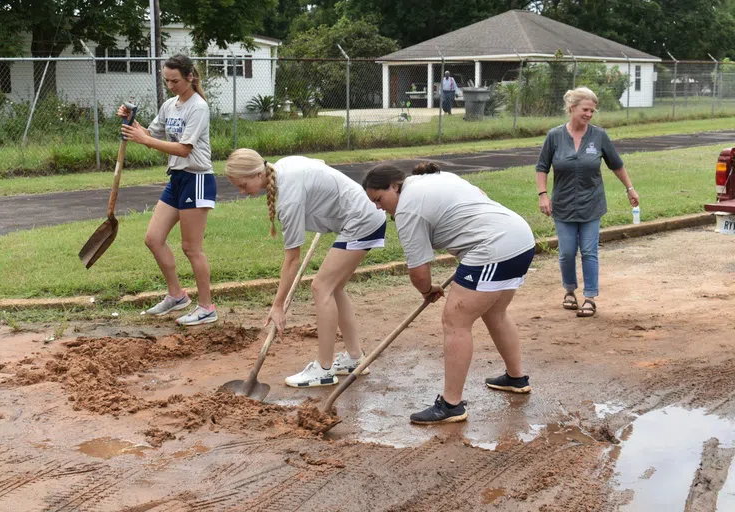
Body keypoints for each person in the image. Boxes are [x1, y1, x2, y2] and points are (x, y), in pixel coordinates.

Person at [363, 162, 536, 425]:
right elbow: (477, 198)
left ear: (395, 187)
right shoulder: (434, 178)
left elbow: (419, 273)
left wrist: (426, 290)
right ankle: (516, 378)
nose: (378, 206)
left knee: (455, 322)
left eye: (379, 199)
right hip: (519, 237)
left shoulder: (408, 210)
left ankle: (451, 404)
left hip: (493, 248)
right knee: (495, 313)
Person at [225, 149, 388, 388]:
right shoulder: (283, 165)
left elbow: (292, 260)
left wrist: (278, 305)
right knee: (335, 287)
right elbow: (319, 166)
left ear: (257, 173)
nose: (241, 190)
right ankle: (355, 358)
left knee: (321, 287)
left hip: (362, 220)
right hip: (362, 216)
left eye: (242, 184)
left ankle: (323, 369)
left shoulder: (288, 200)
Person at [118, 54, 218, 326]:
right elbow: (152, 133)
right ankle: (177, 295)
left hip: (197, 178)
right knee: (153, 238)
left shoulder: (198, 107)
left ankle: (206, 307)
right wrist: (132, 122)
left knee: (191, 248)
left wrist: (145, 140)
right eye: (167, 81)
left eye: (175, 80)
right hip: (176, 178)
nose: (171, 85)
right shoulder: (170, 105)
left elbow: (185, 149)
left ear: (190, 77)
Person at [536, 86, 640, 318]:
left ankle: (590, 297)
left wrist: (630, 188)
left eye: (592, 111)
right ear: (572, 108)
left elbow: (616, 164)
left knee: (589, 252)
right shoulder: (554, 136)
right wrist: (543, 194)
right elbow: (542, 167)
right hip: (562, 204)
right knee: (567, 252)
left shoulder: (599, 136)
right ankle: (570, 290)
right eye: (585, 109)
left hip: (591, 204)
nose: (589, 114)